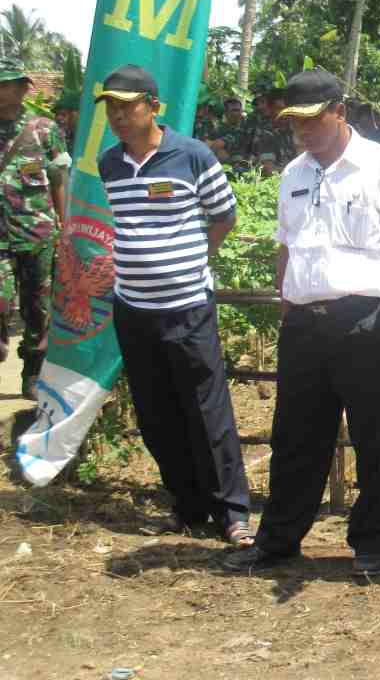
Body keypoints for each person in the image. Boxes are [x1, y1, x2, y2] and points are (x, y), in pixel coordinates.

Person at [223, 69, 380, 576]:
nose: (303, 131)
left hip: (363, 319)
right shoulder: (294, 173)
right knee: (294, 438)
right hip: (304, 325)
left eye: (312, 120)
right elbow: (286, 244)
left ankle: (370, 546)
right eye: (295, 123)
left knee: (374, 438)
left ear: (339, 111)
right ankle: (278, 541)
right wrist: (287, 302)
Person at [96, 64, 253, 545]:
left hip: (187, 307)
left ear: (153, 107)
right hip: (133, 309)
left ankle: (232, 513)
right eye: (111, 108)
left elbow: (224, 216)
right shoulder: (109, 163)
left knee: (208, 410)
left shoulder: (192, 155)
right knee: (156, 414)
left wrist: (192, 261)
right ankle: (188, 507)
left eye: (127, 107)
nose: (118, 116)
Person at [0, 58, 70, 397]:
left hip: (36, 233)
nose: (2, 91)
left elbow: (59, 178)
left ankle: (32, 370)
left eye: (7, 84)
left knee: (38, 309)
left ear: (22, 88)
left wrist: (65, 224)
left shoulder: (44, 129)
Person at [205, 98, 248, 166]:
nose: (236, 113)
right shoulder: (220, 128)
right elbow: (209, 143)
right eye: (233, 110)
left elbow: (219, 143)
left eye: (238, 110)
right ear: (226, 112)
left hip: (244, 160)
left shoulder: (247, 126)